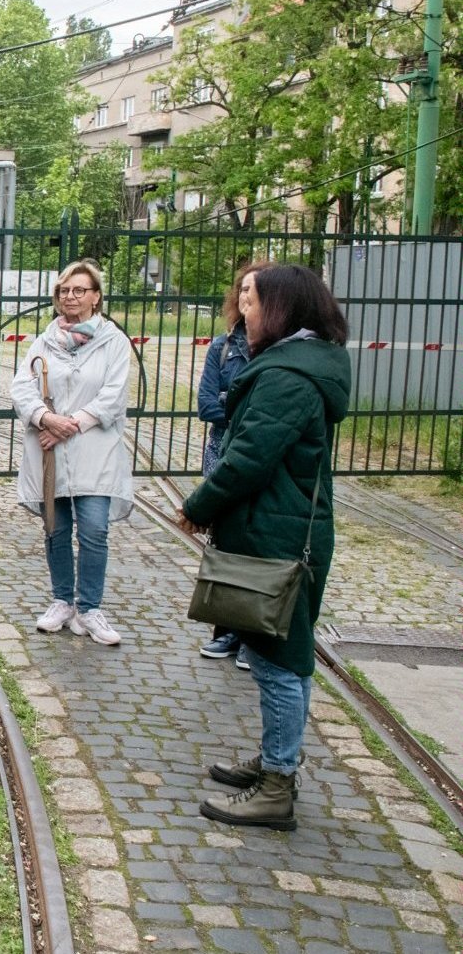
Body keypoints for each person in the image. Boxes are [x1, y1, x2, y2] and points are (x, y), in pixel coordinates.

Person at [178, 263, 350, 832]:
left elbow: (248, 458)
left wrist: (197, 507)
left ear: (279, 308)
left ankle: (277, 783)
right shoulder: (300, 364)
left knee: (279, 661)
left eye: (249, 300)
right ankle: (278, 759)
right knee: (285, 656)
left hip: (277, 534)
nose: (240, 310)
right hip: (283, 526)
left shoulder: (287, 377)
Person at [8, 259, 133, 647]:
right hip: (51, 453)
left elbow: (113, 396)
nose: (71, 297)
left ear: (96, 297)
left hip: (94, 451)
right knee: (55, 529)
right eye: (64, 290)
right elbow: (22, 387)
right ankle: (62, 600)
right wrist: (46, 418)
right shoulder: (44, 341)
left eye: (79, 290)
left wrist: (69, 424)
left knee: (94, 529)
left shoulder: (114, 342)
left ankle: (90, 607)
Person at [194, 265, 257, 667]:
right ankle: (229, 631)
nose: (247, 297)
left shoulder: (277, 351)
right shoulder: (223, 346)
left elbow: (261, 418)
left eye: (256, 290)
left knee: (256, 544)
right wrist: (244, 413)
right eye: (243, 289)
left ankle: (256, 635)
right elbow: (206, 405)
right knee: (224, 542)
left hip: (255, 457)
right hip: (221, 454)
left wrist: (231, 405)